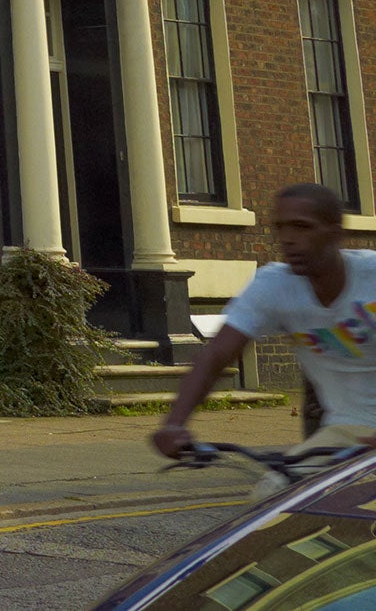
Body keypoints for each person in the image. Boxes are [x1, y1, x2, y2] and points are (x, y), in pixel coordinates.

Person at [150, 182, 376, 491]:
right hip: (347, 432)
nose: (288, 239)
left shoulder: (371, 277)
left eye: (302, 227)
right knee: (276, 495)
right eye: (280, 228)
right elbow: (216, 355)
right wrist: (175, 423)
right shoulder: (275, 286)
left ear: (335, 233)